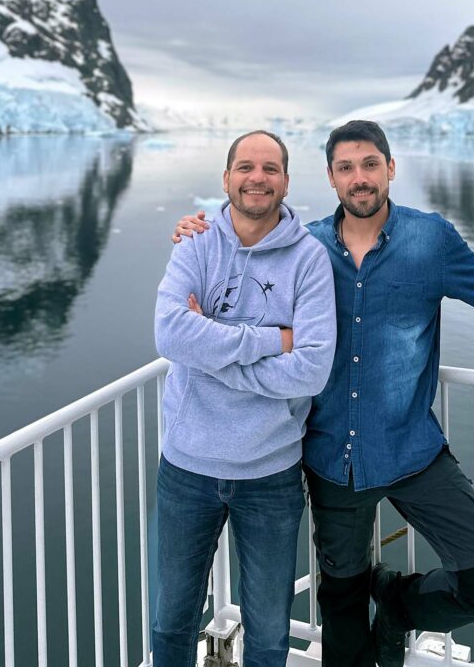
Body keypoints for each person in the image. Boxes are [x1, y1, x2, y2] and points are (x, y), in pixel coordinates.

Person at [173, 120, 474, 667]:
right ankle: (370, 612)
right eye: (347, 168)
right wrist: (202, 229)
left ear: (390, 168)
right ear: (331, 178)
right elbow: (245, 259)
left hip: (412, 450)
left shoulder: (432, 240)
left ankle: (399, 604)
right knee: (344, 622)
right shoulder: (305, 250)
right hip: (332, 461)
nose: (360, 179)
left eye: (370, 164)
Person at [153, 130, 336, 667]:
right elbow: (169, 335)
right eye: (246, 167)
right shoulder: (196, 243)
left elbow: (311, 371)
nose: (257, 178)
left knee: (270, 634)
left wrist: (209, 350)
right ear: (227, 177)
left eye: (270, 168)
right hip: (186, 467)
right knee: (171, 625)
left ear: (285, 181)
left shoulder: (309, 260)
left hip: (271, 473)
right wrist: (271, 340)